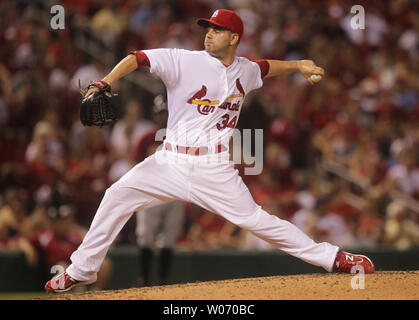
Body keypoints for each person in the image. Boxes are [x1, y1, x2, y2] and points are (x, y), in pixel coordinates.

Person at [45, 9, 374, 293]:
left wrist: (300, 64)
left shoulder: (245, 69)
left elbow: (265, 67)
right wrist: (105, 81)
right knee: (117, 195)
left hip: (214, 167)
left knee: (258, 221)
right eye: (208, 29)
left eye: (217, 30)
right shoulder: (184, 61)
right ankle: (81, 269)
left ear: (234, 38)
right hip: (170, 160)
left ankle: (333, 258)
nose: (209, 34)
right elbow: (138, 57)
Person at [133, 95, 185, 287]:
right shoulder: (146, 138)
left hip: (174, 192)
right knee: (145, 236)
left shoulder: (182, 137)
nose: (162, 116)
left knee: (169, 238)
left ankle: (163, 282)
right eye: (159, 113)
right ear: (154, 115)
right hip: (151, 192)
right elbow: (135, 165)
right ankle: (144, 280)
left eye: (165, 112)